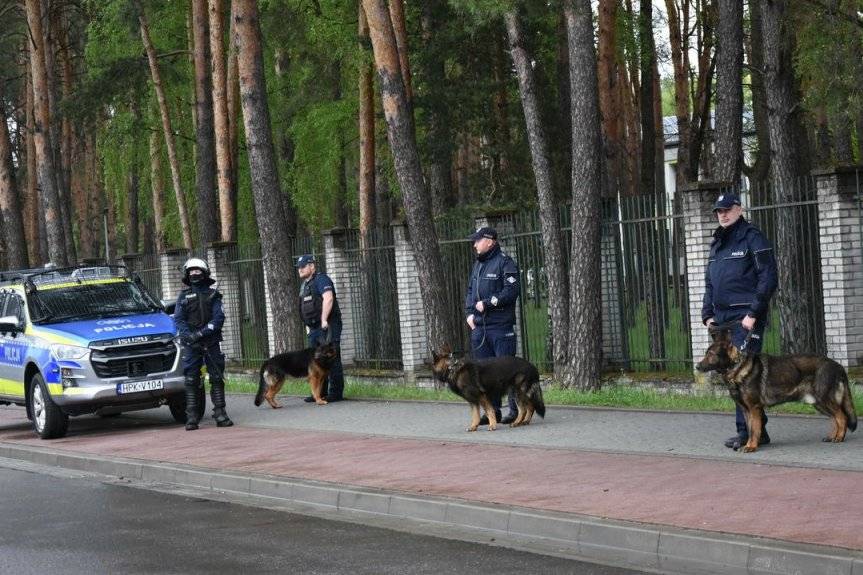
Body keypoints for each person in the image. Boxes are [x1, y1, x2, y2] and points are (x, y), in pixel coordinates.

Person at [701, 193, 778, 450]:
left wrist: (753, 314)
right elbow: (711, 282)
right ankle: (757, 431)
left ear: (739, 209)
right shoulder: (718, 242)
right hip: (721, 320)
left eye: (727, 209)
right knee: (733, 376)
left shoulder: (752, 237)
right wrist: (707, 314)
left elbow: (768, 277)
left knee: (741, 375)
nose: (722, 214)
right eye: (718, 211)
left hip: (745, 319)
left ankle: (746, 434)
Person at [464, 226, 521, 426]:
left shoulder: (505, 262)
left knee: (507, 371)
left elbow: (511, 291)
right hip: (480, 328)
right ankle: (492, 412)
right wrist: (469, 314)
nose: (474, 244)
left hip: (500, 327)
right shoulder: (478, 265)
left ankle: (515, 411)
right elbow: (471, 291)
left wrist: (488, 303)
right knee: (484, 374)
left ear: (489, 241)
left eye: (477, 240)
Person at [174, 257, 233, 431]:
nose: (194, 273)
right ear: (187, 274)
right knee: (191, 379)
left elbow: (218, 319)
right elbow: (179, 320)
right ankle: (192, 417)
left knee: (216, 377)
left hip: (211, 343)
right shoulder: (183, 297)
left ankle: (220, 414)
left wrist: (200, 334)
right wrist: (189, 336)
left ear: (204, 273)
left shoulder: (214, 295)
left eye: (197, 270)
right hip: (191, 345)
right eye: (191, 271)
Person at [296, 254, 345, 402]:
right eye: (299, 267)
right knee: (315, 362)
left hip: (328, 326)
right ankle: (319, 393)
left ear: (312, 266)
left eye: (303, 266)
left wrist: (324, 319)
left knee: (331, 359)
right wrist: (308, 325)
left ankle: (336, 393)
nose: (300, 269)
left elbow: (328, 298)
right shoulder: (305, 284)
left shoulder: (322, 279)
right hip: (314, 328)